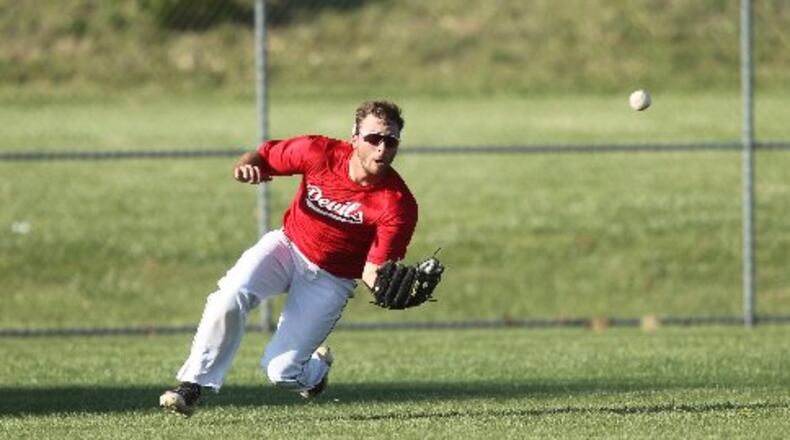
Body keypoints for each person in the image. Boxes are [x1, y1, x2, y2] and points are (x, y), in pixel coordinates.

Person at [160, 100, 418, 416]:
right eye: (373, 138)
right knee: (229, 296)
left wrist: (387, 289)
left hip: (331, 279)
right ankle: (191, 386)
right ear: (354, 137)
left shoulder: (398, 205)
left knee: (280, 371)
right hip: (287, 247)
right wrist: (247, 166)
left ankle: (315, 373)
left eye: (390, 141)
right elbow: (263, 155)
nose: (381, 148)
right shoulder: (318, 152)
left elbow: (373, 268)